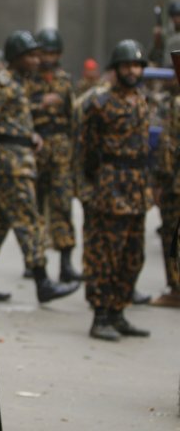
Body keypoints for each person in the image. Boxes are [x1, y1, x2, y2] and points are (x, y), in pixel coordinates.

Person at [0, 30, 81, 303]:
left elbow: (12, 120)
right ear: (16, 58)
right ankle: (43, 282)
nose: (36, 60)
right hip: (10, 167)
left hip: (16, 159)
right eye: (30, 56)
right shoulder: (4, 84)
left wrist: (30, 136)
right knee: (30, 221)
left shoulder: (19, 84)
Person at [79, 39, 152, 340]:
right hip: (109, 187)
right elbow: (86, 149)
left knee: (133, 255)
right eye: (127, 65)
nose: (132, 70)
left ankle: (119, 311)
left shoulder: (142, 100)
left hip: (137, 188)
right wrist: (90, 186)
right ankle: (100, 316)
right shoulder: (99, 103)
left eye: (136, 65)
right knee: (103, 255)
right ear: (115, 69)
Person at [29, 29, 82, 282]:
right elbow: (18, 111)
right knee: (34, 209)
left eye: (52, 53)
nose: (48, 58)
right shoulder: (28, 79)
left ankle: (65, 262)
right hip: (35, 151)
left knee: (62, 206)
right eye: (44, 53)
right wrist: (40, 103)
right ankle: (35, 261)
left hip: (60, 151)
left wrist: (75, 154)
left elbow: (73, 117)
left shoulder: (65, 80)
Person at [153, 90, 180, 307]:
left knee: (171, 234)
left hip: (175, 184)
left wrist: (161, 181)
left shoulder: (175, 104)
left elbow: (167, 145)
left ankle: (176, 289)